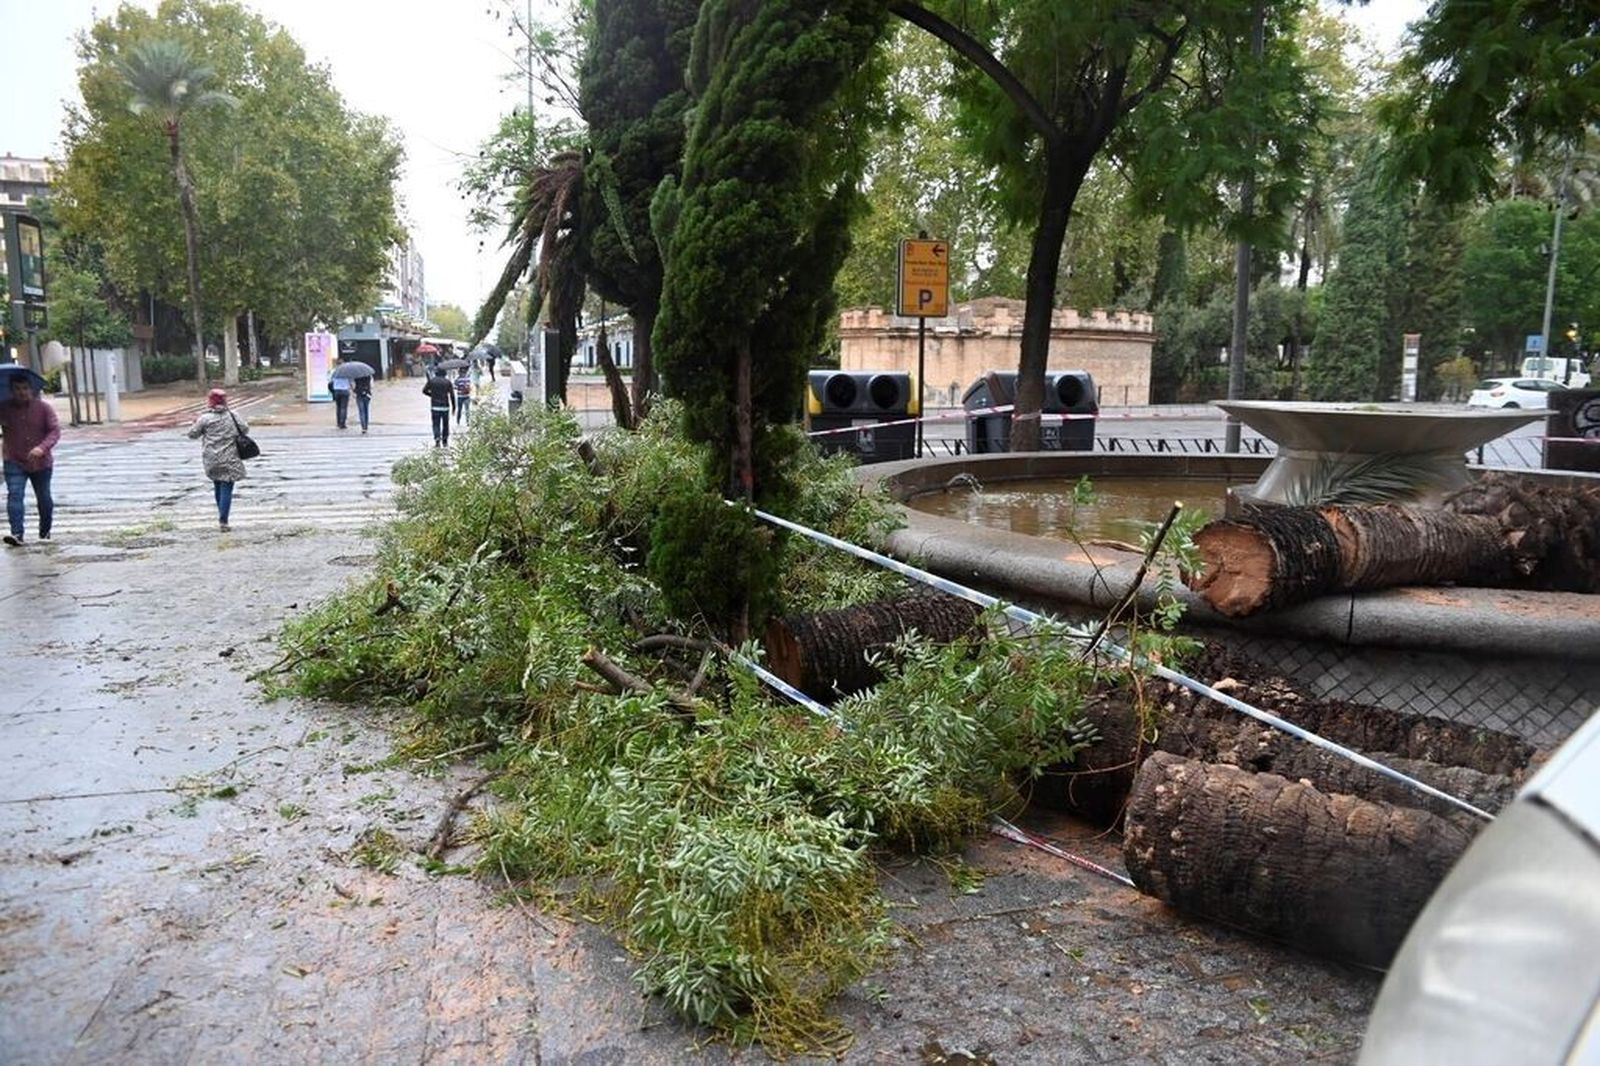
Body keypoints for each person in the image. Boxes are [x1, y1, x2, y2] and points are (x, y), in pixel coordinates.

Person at [1, 374, 60, 547]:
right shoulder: (4, 408)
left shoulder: (43, 408)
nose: (22, 392)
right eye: (17, 389)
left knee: (44, 498)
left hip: (41, 463)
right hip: (14, 459)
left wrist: (42, 448)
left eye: (25, 388)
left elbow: (54, 431)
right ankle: (17, 533)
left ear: (31, 389)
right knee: (15, 495)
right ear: (11, 390)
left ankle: (45, 532)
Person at [187, 388, 248, 531]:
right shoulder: (233, 416)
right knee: (227, 486)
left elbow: (192, 434)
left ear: (210, 402)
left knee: (217, 484)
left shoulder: (205, 419)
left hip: (211, 458)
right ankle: (223, 520)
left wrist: (194, 423)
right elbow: (245, 429)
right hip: (230, 457)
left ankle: (221, 515)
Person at [423, 370, 453, 446]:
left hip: (435, 406)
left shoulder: (432, 381)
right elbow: (452, 395)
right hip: (445, 407)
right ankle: (445, 441)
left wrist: (432, 395)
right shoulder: (448, 382)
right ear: (445, 374)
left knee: (436, 424)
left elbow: (424, 391)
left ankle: (437, 439)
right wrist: (454, 407)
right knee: (445, 424)